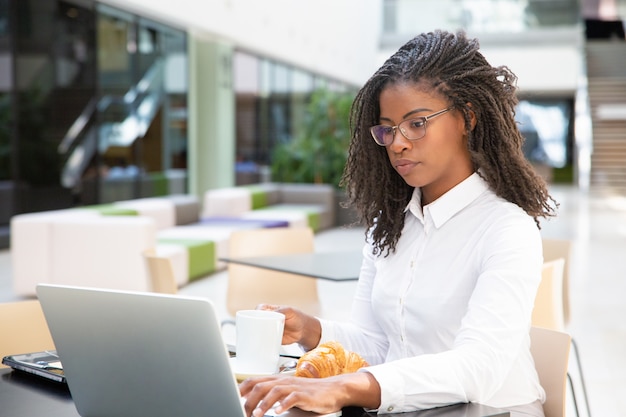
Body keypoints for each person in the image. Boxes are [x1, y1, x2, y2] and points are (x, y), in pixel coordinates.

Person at [239, 30, 558, 417]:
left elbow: (479, 367)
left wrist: (344, 387)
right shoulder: (388, 226)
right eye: (388, 128)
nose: (397, 143)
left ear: (468, 118)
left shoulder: (506, 228)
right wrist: (310, 330)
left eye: (417, 123)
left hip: (493, 410)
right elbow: (377, 345)